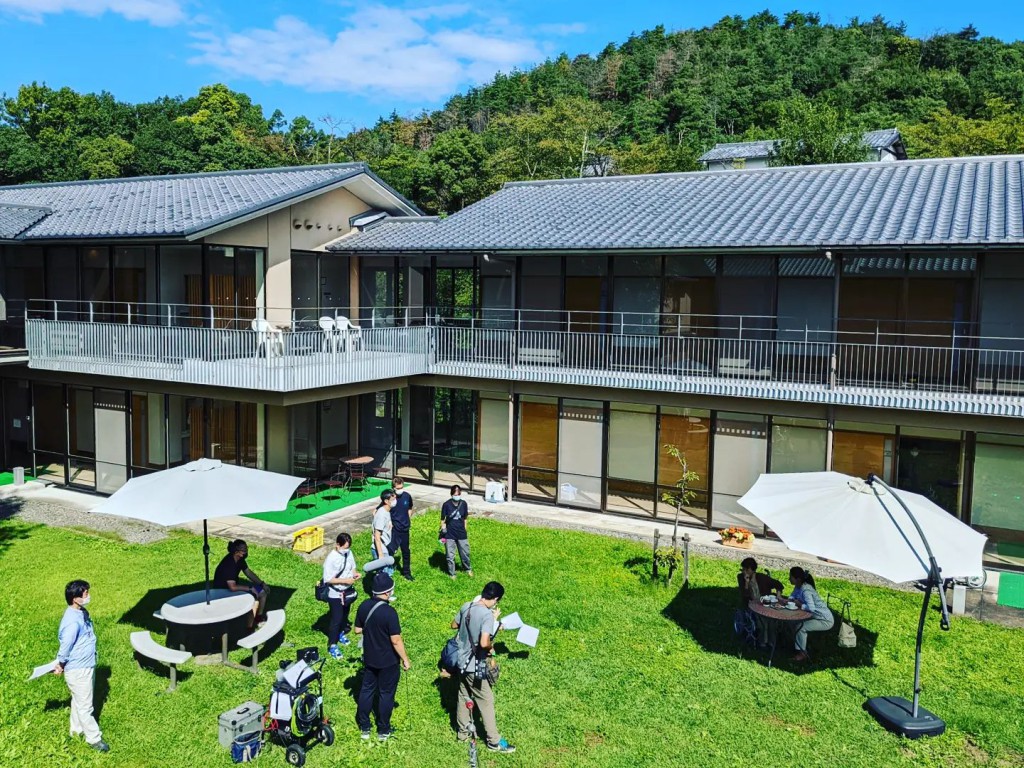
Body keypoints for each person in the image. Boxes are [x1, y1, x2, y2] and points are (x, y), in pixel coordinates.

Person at [453, 581, 515, 754]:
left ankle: (462, 733)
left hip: (461, 660)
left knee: (463, 695)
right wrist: (491, 648)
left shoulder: (466, 606)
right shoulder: (487, 615)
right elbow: (483, 642)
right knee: (486, 700)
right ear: (495, 599)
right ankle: (494, 741)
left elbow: (453, 625)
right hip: (475, 664)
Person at [354, 573, 410, 742]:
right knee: (386, 694)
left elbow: (357, 630)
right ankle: (383, 730)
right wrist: (405, 659)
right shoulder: (390, 613)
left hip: (370, 658)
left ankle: (364, 727)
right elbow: (396, 640)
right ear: (387, 593)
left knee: (367, 690)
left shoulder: (364, 606)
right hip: (388, 661)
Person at [55, 580, 109, 753]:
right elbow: (65, 646)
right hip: (79, 670)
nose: (88, 596)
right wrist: (60, 664)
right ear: (75, 598)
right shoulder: (72, 622)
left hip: (86, 665)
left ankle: (76, 730)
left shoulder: (80, 612)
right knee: (86, 707)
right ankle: (94, 739)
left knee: (79, 700)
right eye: (85, 594)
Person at [213, 539, 269, 628]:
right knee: (252, 598)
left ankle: (258, 618)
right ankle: (249, 628)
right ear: (236, 551)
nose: (246, 551)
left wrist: (262, 584)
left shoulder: (240, 559)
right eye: (243, 549)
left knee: (262, 592)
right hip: (223, 592)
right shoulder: (229, 564)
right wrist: (250, 589)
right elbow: (232, 587)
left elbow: (248, 573)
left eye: (246, 548)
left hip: (232, 588)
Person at [322, 532, 360, 660]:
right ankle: (332, 644)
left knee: (345, 615)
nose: (346, 550)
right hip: (335, 593)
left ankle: (341, 633)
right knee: (336, 619)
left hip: (347, 591)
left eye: (348, 548)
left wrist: (355, 574)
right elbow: (328, 579)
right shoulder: (331, 558)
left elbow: (352, 567)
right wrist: (345, 581)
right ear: (337, 545)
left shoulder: (349, 553)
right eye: (344, 548)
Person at [788, 566, 835, 661]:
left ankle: (802, 653)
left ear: (797, 579)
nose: (789, 579)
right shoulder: (798, 586)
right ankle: (795, 644)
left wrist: (800, 604)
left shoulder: (806, 590)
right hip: (814, 616)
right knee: (793, 621)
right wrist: (789, 600)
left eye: (791, 577)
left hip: (824, 619)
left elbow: (811, 608)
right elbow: (792, 596)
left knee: (801, 627)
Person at [737, 557, 783, 647]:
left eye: (746, 569)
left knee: (771, 619)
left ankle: (771, 642)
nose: (744, 571)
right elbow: (745, 595)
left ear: (752, 570)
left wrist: (778, 595)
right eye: (743, 569)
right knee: (762, 621)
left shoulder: (762, 578)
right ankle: (763, 642)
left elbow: (778, 584)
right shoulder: (741, 578)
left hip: (765, 604)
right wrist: (747, 583)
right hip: (751, 605)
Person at [441, 484, 472, 580]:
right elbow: (443, 519)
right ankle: (452, 573)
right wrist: (443, 531)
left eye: (458, 494)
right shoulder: (446, 505)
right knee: (450, 555)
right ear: (451, 494)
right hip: (450, 534)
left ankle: (467, 569)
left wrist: (465, 529)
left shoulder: (464, 504)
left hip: (461, 533)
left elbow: (465, 518)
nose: (457, 496)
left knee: (465, 553)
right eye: (455, 494)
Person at [390, 478, 415, 581]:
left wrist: (408, 518)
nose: (400, 490)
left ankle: (406, 572)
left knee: (406, 551)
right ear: (393, 488)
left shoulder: (407, 496)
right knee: (390, 551)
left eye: (401, 488)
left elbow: (410, 507)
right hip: (394, 530)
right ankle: (388, 571)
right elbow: (378, 510)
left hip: (405, 529)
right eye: (398, 488)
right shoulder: (390, 498)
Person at [371, 490, 396, 593]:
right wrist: (380, 554)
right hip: (380, 548)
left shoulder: (387, 511)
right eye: (393, 499)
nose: (395, 500)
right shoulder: (381, 514)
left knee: (388, 572)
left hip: (385, 547)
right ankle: (381, 594)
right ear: (386, 501)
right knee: (383, 575)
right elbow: (377, 536)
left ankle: (387, 593)